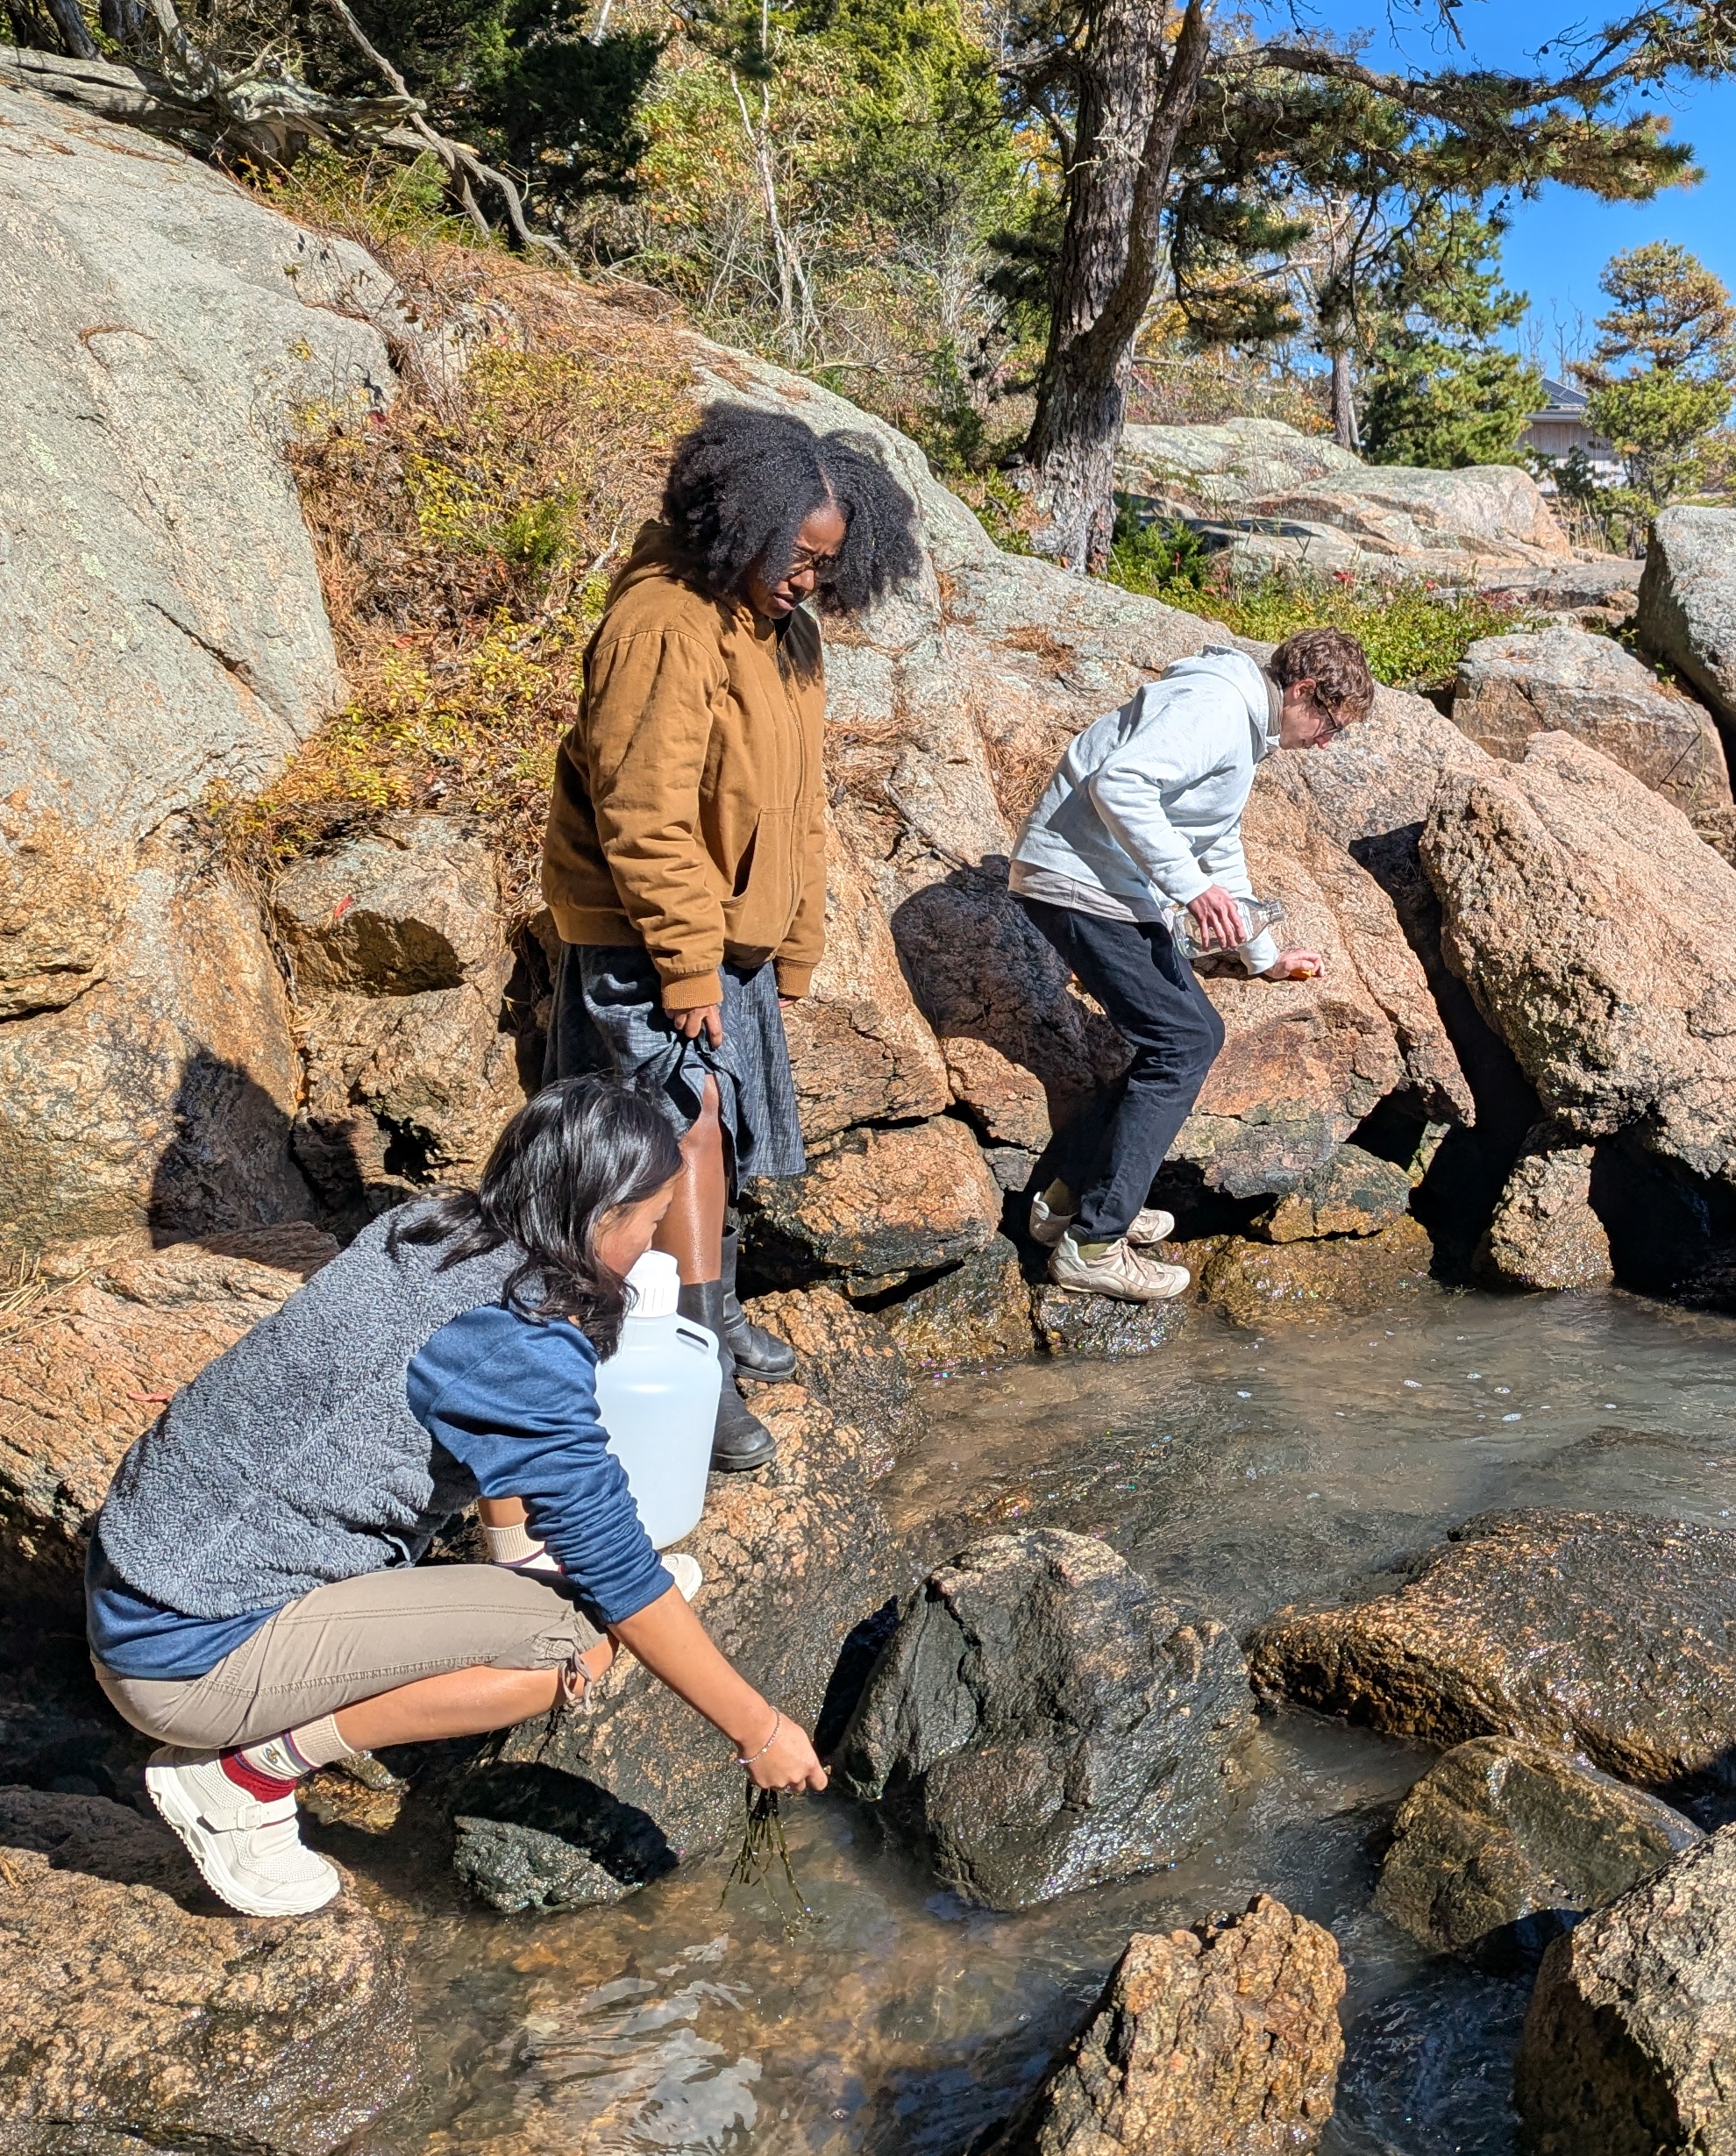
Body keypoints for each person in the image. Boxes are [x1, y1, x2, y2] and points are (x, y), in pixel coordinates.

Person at [89, 1074, 826, 1918]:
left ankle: (507, 1575)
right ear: (599, 1216)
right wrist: (759, 1729)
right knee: (576, 1640)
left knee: (580, 1590)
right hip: (186, 1661)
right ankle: (242, 1779)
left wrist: (518, 1554)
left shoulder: (434, 1229)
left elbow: (487, 1432)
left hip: (139, 1579)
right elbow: (621, 1575)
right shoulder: (519, 1341)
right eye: (653, 1223)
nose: (655, 1248)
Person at [542, 402, 920, 1467]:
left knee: (720, 1130)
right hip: (648, 933)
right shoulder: (665, 622)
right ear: (741, 519)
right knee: (684, 1128)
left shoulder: (780, 632)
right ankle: (688, 1353)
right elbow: (643, 814)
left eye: (826, 565)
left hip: (728, 940)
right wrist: (687, 962)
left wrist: (791, 948)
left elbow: (801, 810)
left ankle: (716, 1305)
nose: (810, 581)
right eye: (797, 557)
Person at [1008, 628, 1379, 1300]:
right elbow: (1118, 784)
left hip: (1100, 884)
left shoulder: (1240, 727)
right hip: (1079, 881)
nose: (1327, 743)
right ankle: (1093, 1243)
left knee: (1180, 1036)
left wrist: (1261, 957)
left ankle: (1072, 1201)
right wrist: (1190, 888)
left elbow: (1217, 843)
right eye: (1329, 724)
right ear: (1301, 691)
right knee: (1183, 1041)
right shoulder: (1214, 707)